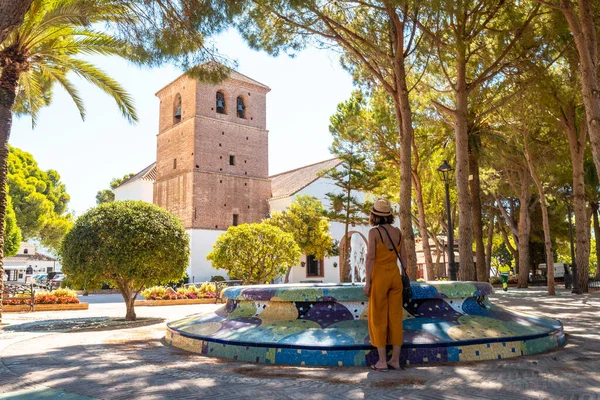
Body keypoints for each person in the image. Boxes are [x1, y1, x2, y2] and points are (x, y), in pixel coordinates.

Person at [363, 198, 406, 371]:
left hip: (380, 277)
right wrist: (403, 276)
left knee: (378, 317)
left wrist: (367, 282)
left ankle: (382, 361)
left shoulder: (374, 233)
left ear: (374, 215)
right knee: (396, 317)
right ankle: (395, 359)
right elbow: (404, 258)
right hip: (395, 277)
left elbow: (370, 258)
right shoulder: (398, 232)